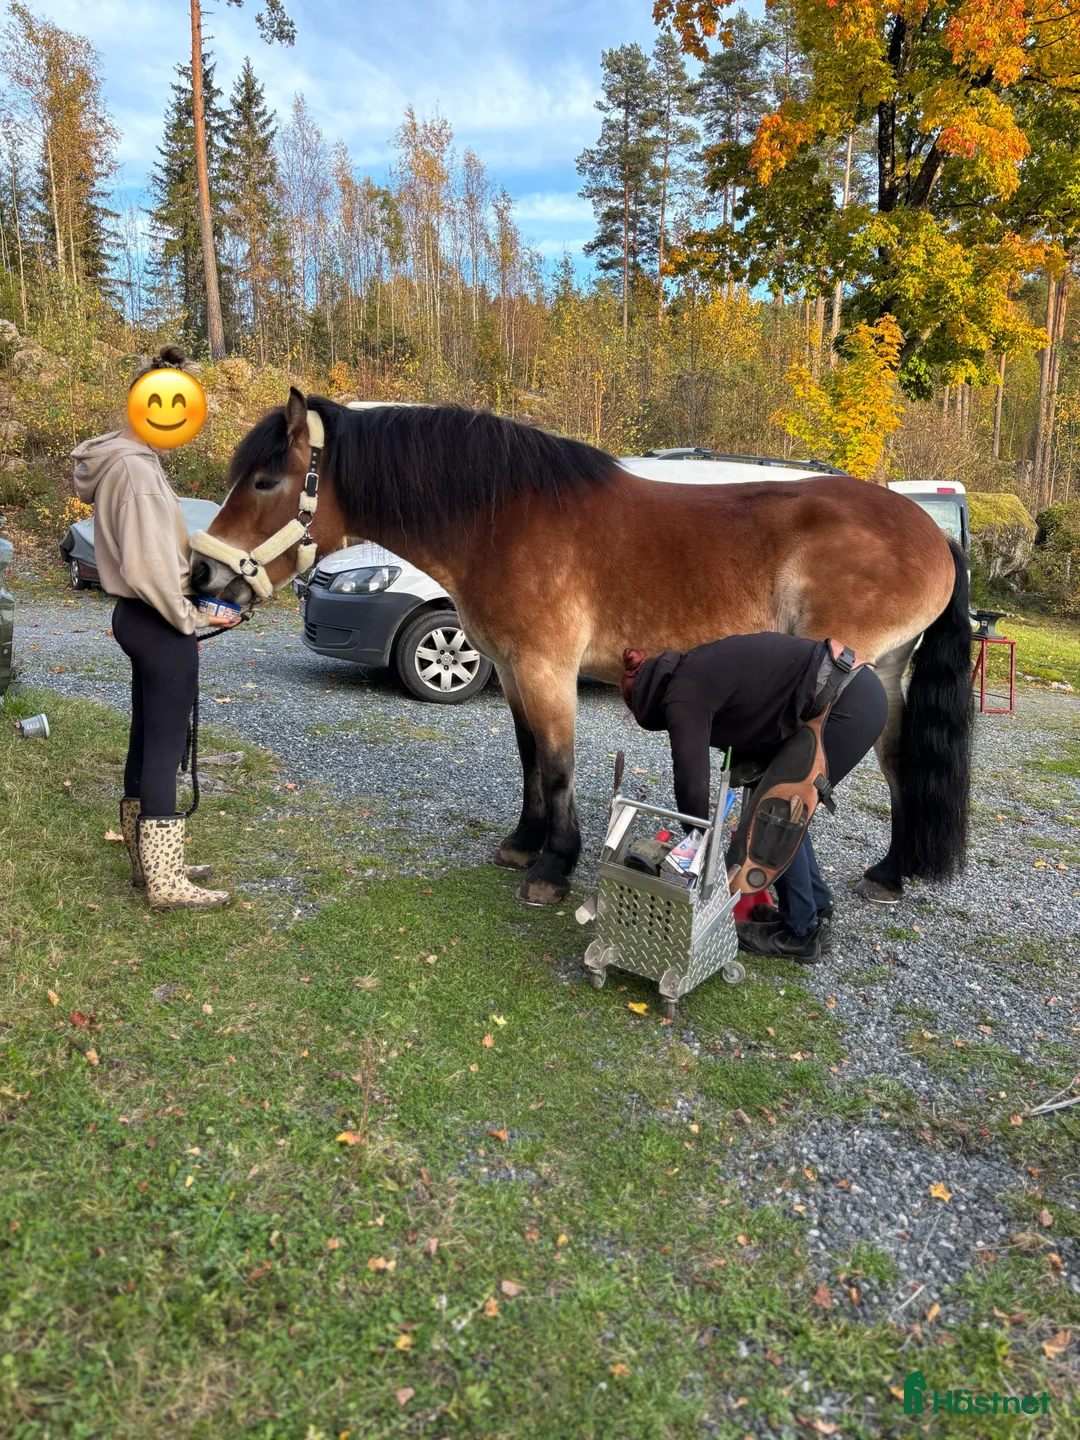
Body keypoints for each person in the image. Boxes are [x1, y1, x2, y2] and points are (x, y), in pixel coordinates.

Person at [71, 345, 236, 910]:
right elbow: (146, 565)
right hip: (159, 622)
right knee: (164, 745)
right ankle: (166, 882)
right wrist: (193, 614)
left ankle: (151, 863)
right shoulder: (137, 472)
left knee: (147, 738)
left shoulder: (126, 461)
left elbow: (159, 554)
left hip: (141, 618)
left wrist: (204, 591)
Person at [620, 633, 889, 963]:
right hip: (850, 691)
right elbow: (755, 700)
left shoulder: (681, 696)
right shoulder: (692, 665)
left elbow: (690, 778)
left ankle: (800, 933)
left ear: (646, 707)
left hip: (844, 704)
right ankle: (815, 905)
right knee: (787, 806)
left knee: (777, 813)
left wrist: (697, 841)